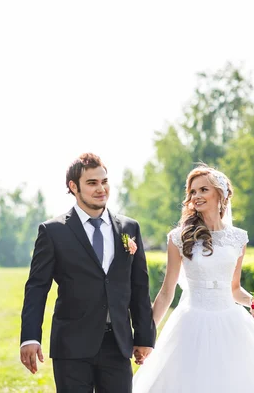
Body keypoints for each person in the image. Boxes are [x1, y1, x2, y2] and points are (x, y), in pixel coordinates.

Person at [132, 163, 254, 392]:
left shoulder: (238, 238)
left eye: (204, 189)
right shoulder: (178, 238)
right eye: (192, 191)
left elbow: (234, 289)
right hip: (191, 323)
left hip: (231, 322)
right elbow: (166, 292)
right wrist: (145, 335)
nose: (196, 196)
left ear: (220, 195)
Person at [20, 152, 156, 392]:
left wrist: (144, 337)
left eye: (104, 181)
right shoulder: (53, 231)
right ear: (74, 187)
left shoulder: (129, 227)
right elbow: (37, 288)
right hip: (71, 345)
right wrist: (30, 337)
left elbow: (139, 287)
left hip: (117, 344)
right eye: (92, 183)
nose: (100, 189)